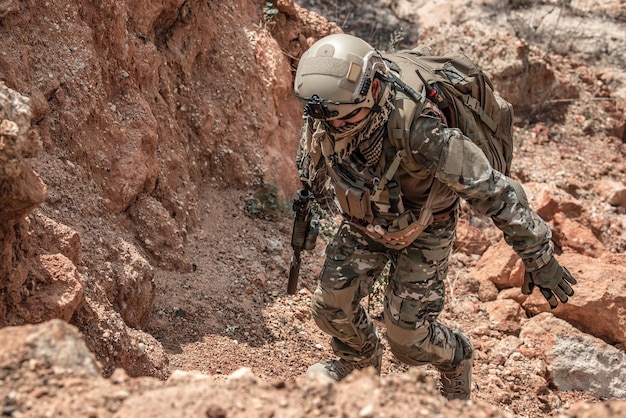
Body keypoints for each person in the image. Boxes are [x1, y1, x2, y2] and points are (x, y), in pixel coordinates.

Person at [292, 33, 577, 400]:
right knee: (330, 306)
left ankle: (457, 359)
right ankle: (357, 365)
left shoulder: (420, 128)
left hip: (426, 228)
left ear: (374, 88)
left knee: (408, 339)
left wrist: (538, 256)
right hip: (365, 222)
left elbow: (493, 189)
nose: (335, 127)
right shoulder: (331, 108)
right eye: (328, 119)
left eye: (345, 120)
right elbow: (317, 155)